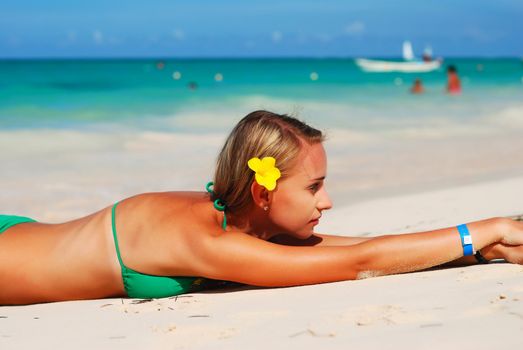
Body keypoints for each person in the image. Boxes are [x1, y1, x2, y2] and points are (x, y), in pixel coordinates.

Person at [1, 110, 523, 305]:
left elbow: (357, 246)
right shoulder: (206, 241)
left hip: (27, 233)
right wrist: (488, 226)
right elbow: (355, 263)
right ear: (264, 192)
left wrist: (483, 249)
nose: (327, 201)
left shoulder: (238, 219)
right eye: (314, 187)